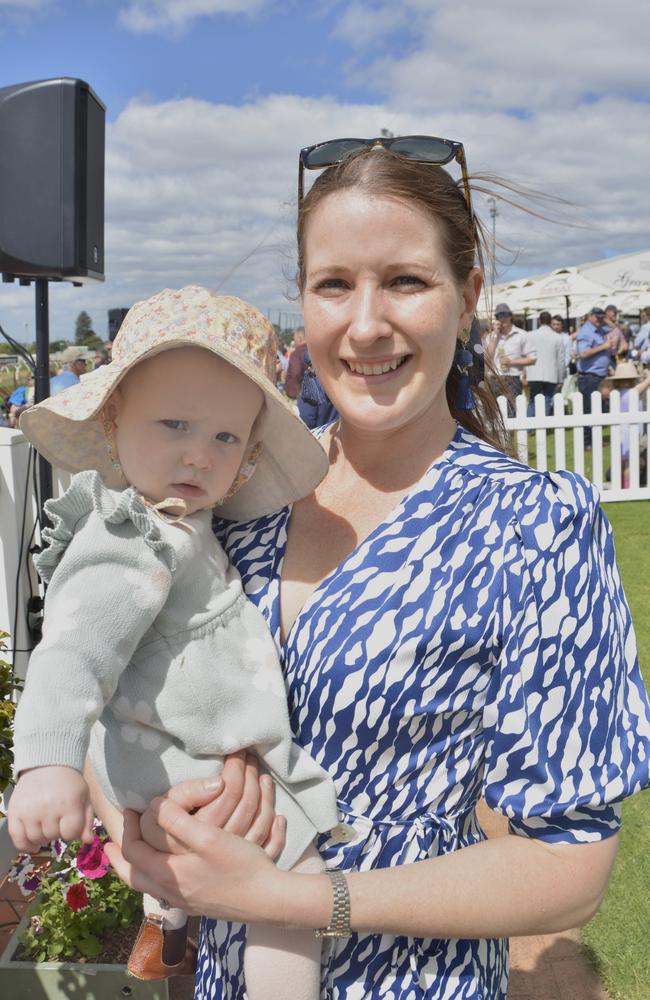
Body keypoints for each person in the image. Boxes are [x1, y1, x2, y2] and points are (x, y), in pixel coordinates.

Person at [97, 138, 650, 1000]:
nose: (364, 324)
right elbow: (121, 675)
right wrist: (131, 825)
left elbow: (568, 861)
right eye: (334, 284)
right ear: (303, 302)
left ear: (467, 298)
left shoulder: (534, 524)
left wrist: (300, 898)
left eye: (405, 281)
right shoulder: (240, 494)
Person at [8, 287, 340, 997]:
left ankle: (168, 919)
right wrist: (46, 761)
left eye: (225, 438)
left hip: (176, 755)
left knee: (227, 876)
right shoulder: (133, 538)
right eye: (174, 424)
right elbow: (74, 650)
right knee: (295, 879)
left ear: (248, 454)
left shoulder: (178, 520)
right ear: (116, 417)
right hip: (190, 760)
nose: (198, 453)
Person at [575, 306, 616, 446]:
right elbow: (584, 353)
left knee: (596, 410)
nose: (600, 320)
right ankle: (587, 443)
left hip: (598, 376)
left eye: (601, 317)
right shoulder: (586, 331)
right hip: (589, 377)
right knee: (588, 410)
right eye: (597, 317)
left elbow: (615, 328)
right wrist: (604, 347)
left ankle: (593, 440)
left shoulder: (599, 329)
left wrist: (605, 318)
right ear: (590, 316)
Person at [484, 302, 535, 415]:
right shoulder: (491, 337)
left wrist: (511, 362)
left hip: (512, 377)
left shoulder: (522, 335)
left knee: (511, 413)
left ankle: (510, 433)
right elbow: (487, 358)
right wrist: (496, 335)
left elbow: (532, 359)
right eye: (499, 316)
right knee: (495, 414)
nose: (502, 318)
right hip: (494, 378)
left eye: (505, 314)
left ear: (511, 316)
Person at [525, 310, 566, 415]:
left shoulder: (530, 335)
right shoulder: (558, 337)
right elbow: (561, 360)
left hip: (534, 373)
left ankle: (528, 428)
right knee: (547, 399)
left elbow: (526, 354)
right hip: (551, 374)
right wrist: (561, 378)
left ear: (539, 321)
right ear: (550, 321)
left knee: (532, 400)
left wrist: (525, 373)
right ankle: (544, 424)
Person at [297, 348, 339, 429]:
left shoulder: (312, 382)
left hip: (319, 436)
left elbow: (306, 418)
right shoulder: (342, 378)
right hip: (340, 433)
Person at [283, 327, 308, 401]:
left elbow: (296, 373)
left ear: (299, 338)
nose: (294, 341)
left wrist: (292, 393)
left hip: (294, 396)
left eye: (294, 339)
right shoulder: (312, 353)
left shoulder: (296, 354)